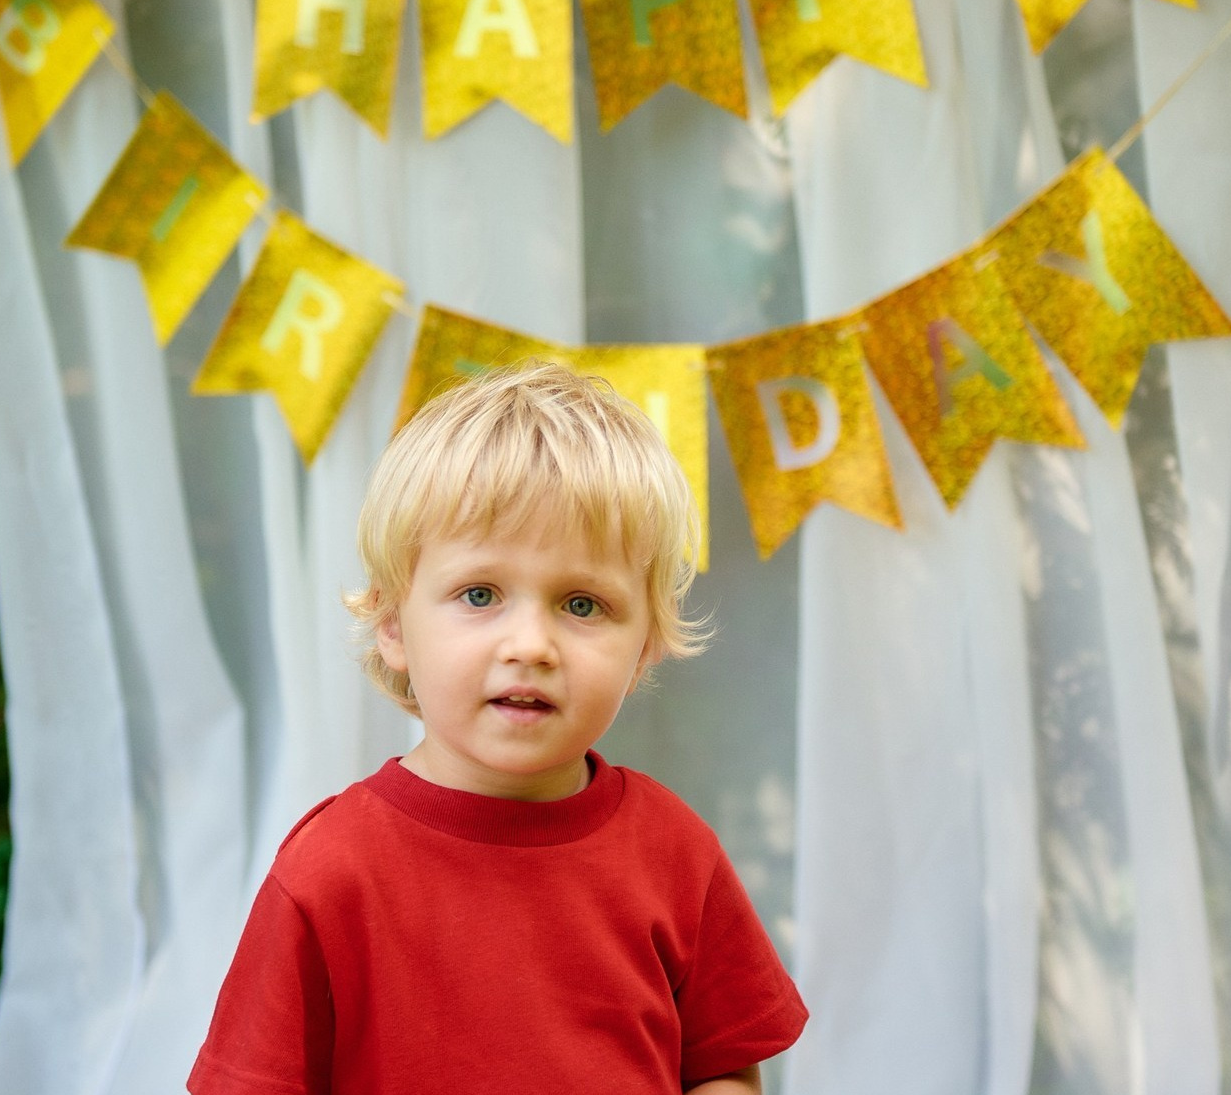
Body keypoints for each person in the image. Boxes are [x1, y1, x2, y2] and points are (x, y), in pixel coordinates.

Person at [188, 360, 808, 1094]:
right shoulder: (330, 872)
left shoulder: (675, 853)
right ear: (393, 624)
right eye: (480, 594)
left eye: (581, 605)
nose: (531, 645)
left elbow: (726, 1069)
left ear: (645, 644)